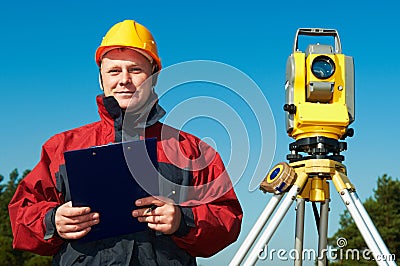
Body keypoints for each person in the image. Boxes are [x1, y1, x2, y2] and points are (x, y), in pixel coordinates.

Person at [8, 19, 243, 265]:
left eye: (135, 70)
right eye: (114, 71)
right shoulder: (61, 147)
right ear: (101, 79)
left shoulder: (192, 150)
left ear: (153, 77)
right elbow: (22, 215)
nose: (124, 80)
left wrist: (182, 220)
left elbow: (227, 218)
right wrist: (53, 221)